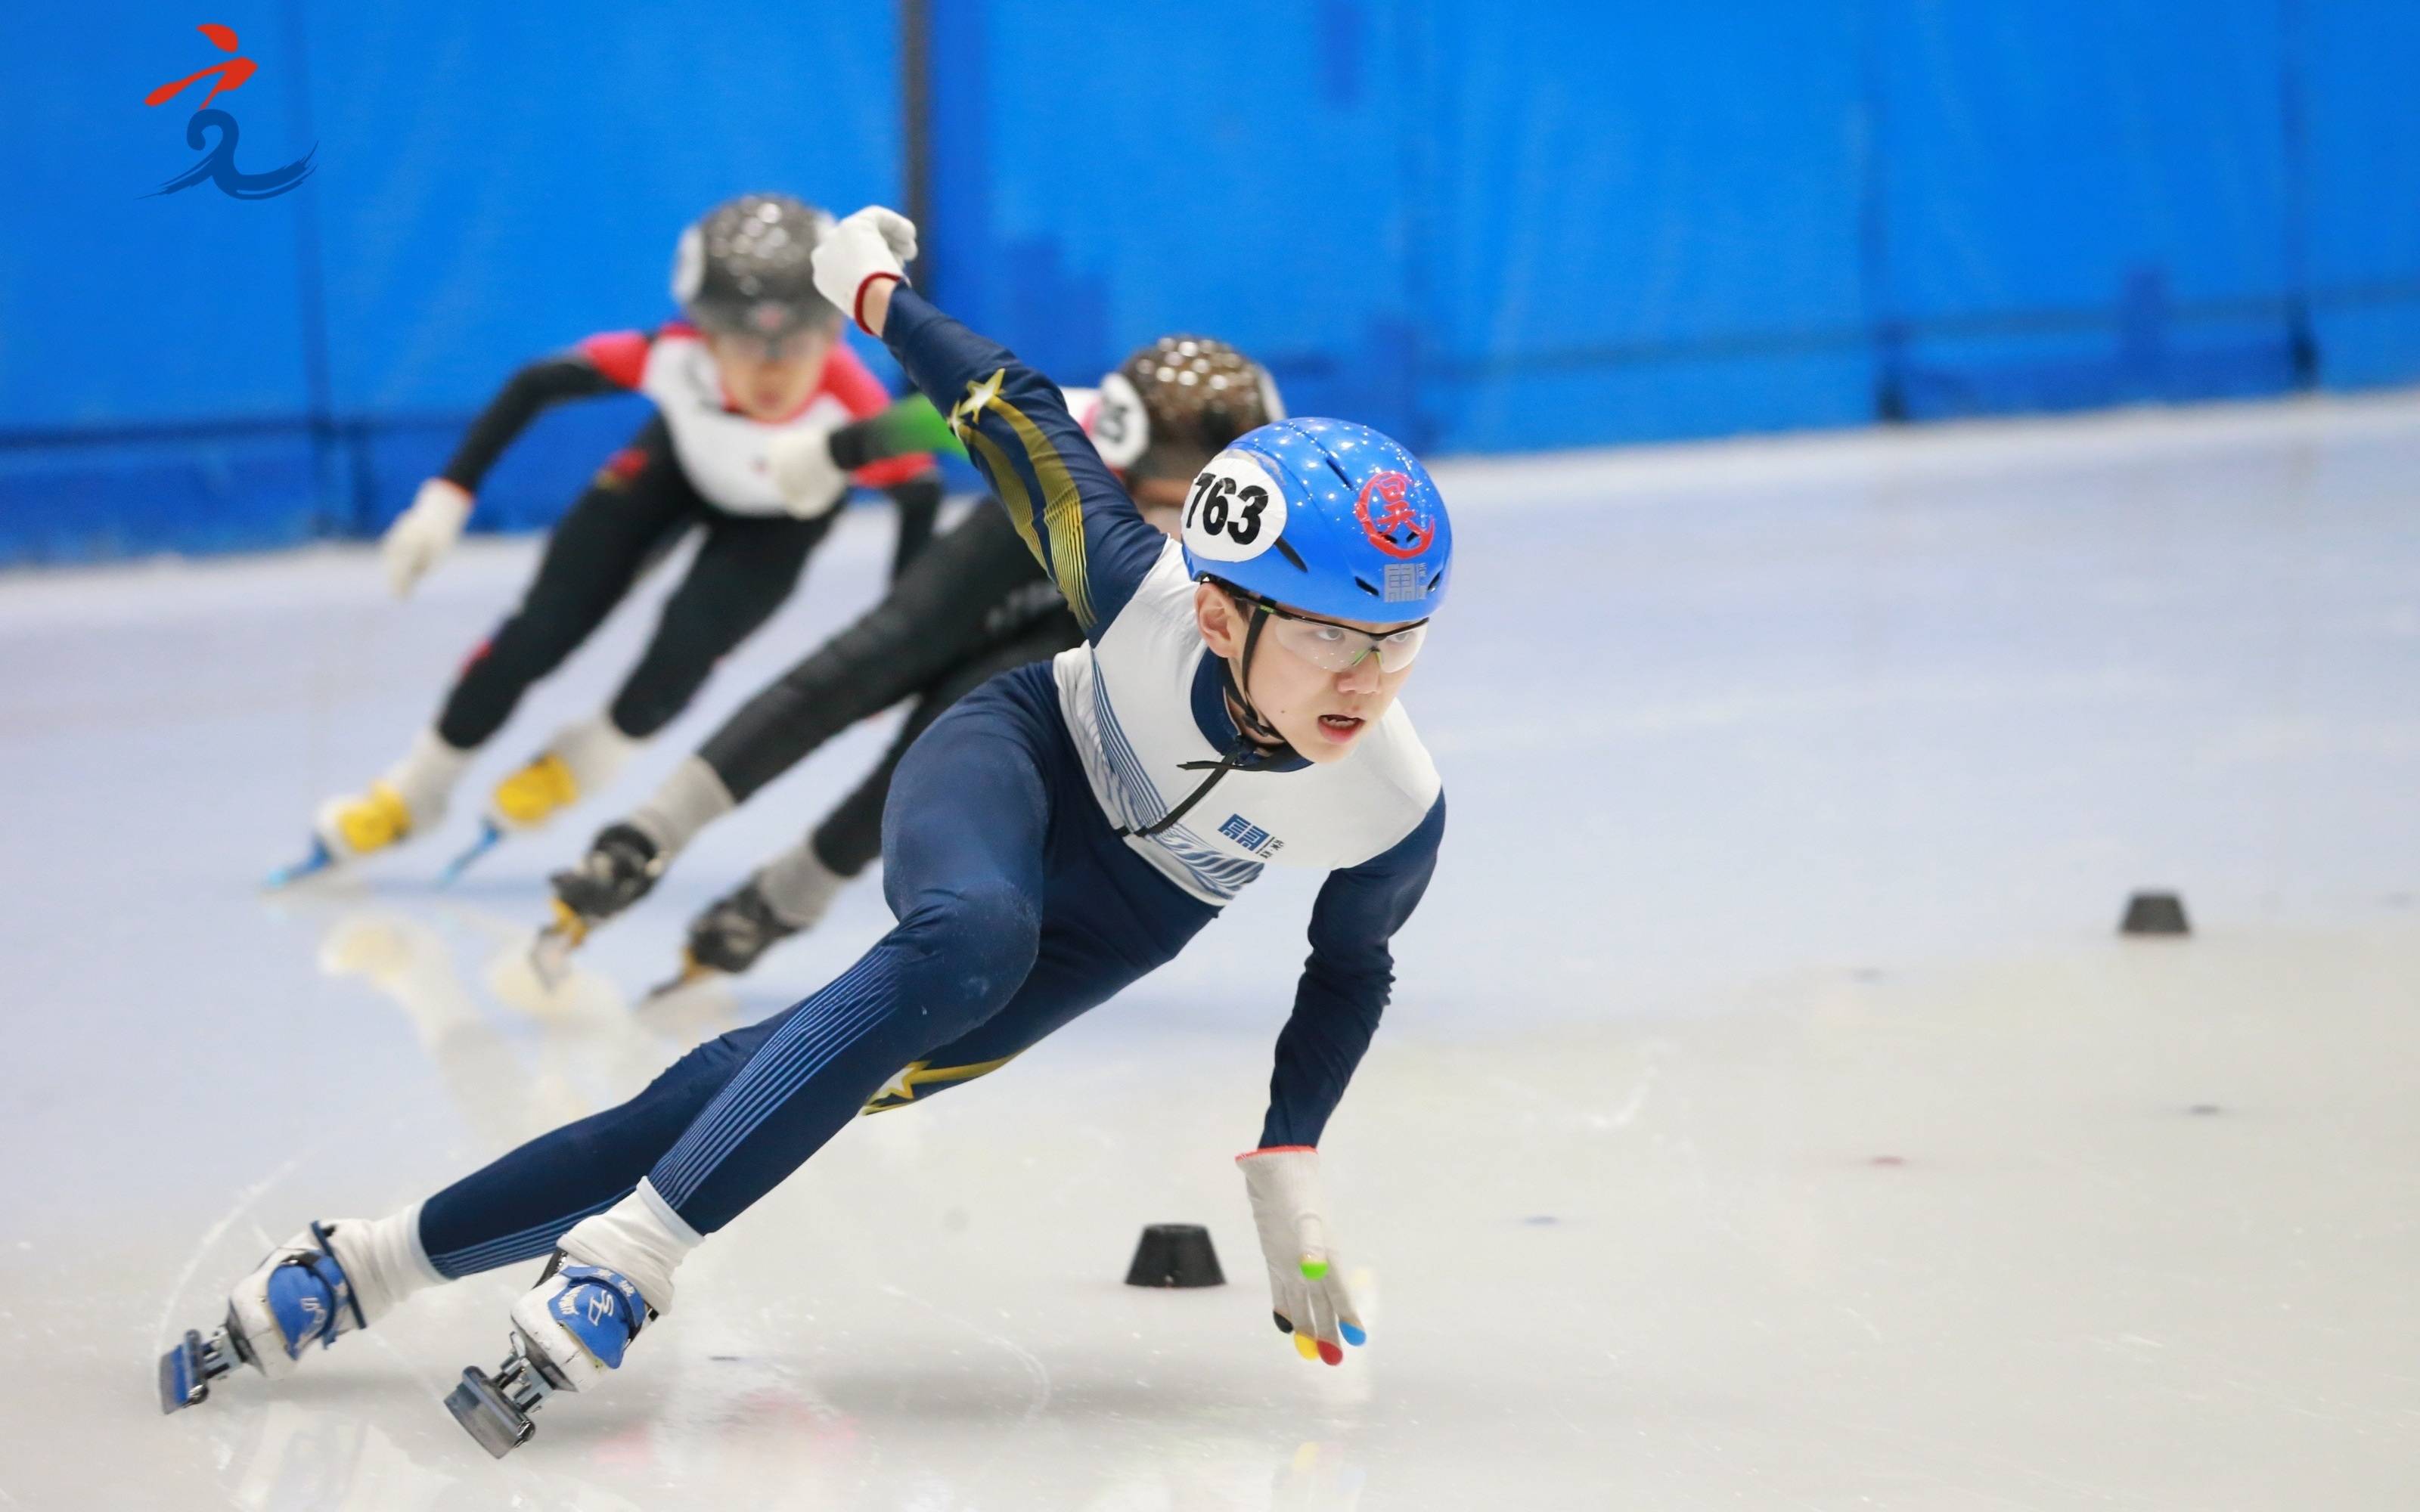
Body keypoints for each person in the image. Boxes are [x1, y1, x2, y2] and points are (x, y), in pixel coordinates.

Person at [163, 208, 1452, 1459]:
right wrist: (868, 288)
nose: (1366, 681)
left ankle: (370, 1260)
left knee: (730, 1090)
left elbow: (1351, 966)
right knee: (969, 937)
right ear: (1225, 617)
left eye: (1399, 643)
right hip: (1018, 761)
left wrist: (1291, 1149)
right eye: (1334, 635)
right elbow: (1009, 406)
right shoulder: (1143, 590)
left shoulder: (1390, 799)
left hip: (1129, 921)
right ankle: (631, 1260)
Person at [541, 336, 1283, 989]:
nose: (1156, 513)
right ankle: (645, 835)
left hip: (1103, 614)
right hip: (1027, 532)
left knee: (953, 732)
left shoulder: (1267, 513)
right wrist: (838, 450)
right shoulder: (1075, 425)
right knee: (869, 658)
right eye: (1146, 493)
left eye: (1185, 505)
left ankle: (784, 897)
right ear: (1113, 454)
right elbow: (948, 410)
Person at [274, 194, 941, 884]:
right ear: (705, 335)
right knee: (537, 632)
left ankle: (581, 764)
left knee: (683, 650)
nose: (772, 369)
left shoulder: (857, 406)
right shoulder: (671, 358)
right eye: (747, 343)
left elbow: (917, 493)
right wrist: (444, 502)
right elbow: (534, 383)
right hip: (673, 470)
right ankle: (415, 793)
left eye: (796, 342)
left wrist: (898, 642)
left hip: (781, 522)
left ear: (836, 334)